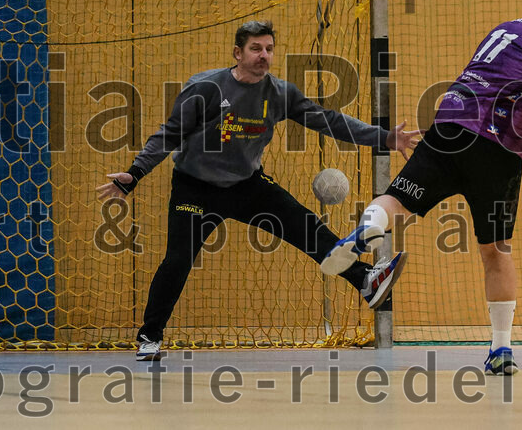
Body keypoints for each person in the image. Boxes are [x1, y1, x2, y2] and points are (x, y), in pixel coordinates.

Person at [95, 20, 420, 361]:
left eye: (269, 49)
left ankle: (366, 281)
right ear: (237, 53)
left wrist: (383, 137)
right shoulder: (205, 88)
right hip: (195, 189)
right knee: (177, 261)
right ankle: (150, 336)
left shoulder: (280, 93)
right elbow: (169, 134)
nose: (264, 55)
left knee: (305, 226)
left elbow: (329, 121)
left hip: (246, 185)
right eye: (255, 49)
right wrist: (135, 173)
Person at [324, 0, 522, 375]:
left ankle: (363, 233)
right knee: (496, 251)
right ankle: (501, 350)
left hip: (450, 123)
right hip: (497, 153)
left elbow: (506, 105)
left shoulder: (504, 29)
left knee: (397, 199)